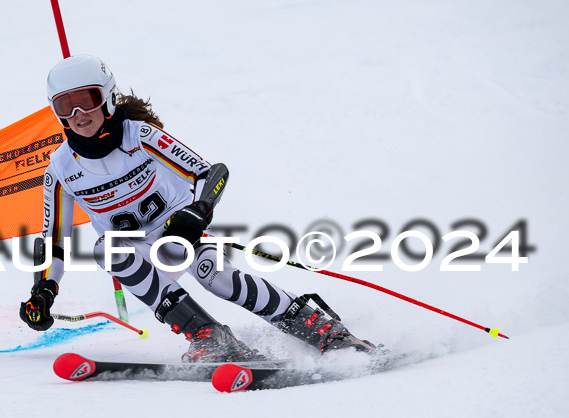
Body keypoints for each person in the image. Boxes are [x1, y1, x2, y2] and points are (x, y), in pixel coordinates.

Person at [19, 54, 375, 362]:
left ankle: (323, 331)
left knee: (215, 276)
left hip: (180, 232)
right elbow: (54, 241)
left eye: (88, 100)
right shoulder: (61, 169)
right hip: (135, 253)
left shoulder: (139, 136)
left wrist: (197, 211)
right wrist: (44, 290)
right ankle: (210, 337)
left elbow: (211, 173)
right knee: (106, 250)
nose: (79, 113)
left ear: (108, 97)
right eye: (65, 105)